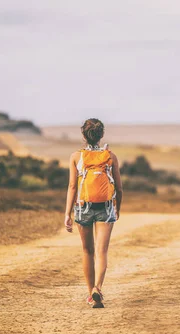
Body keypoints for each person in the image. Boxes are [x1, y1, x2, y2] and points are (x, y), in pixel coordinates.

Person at [64, 118, 123, 308]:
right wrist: (117, 208)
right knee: (101, 251)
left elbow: (73, 186)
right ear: (101, 135)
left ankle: (91, 294)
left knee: (87, 251)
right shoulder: (110, 156)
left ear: (84, 135)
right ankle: (98, 287)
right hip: (106, 206)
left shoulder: (76, 157)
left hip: (83, 206)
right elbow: (120, 189)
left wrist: (67, 214)